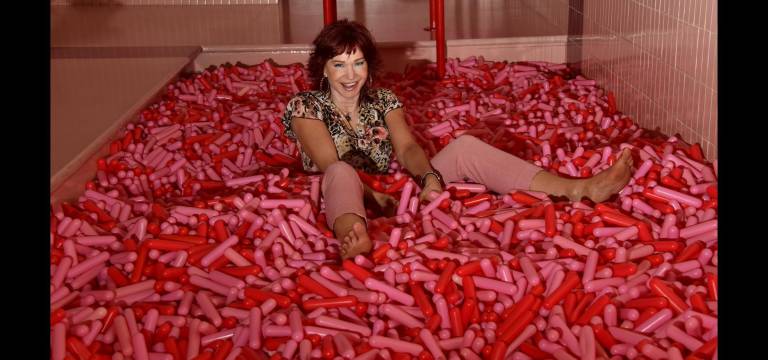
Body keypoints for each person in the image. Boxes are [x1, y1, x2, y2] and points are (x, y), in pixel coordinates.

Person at [281, 19, 633, 260]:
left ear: (369, 66)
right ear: (323, 68)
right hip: (342, 194)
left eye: (357, 64)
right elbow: (329, 162)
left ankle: (575, 190)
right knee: (342, 171)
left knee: (464, 147)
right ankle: (353, 236)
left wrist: (428, 178)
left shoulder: (384, 101)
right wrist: (377, 199)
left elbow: (407, 148)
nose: (350, 75)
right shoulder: (305, 106)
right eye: (339, 64)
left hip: (395, 192)